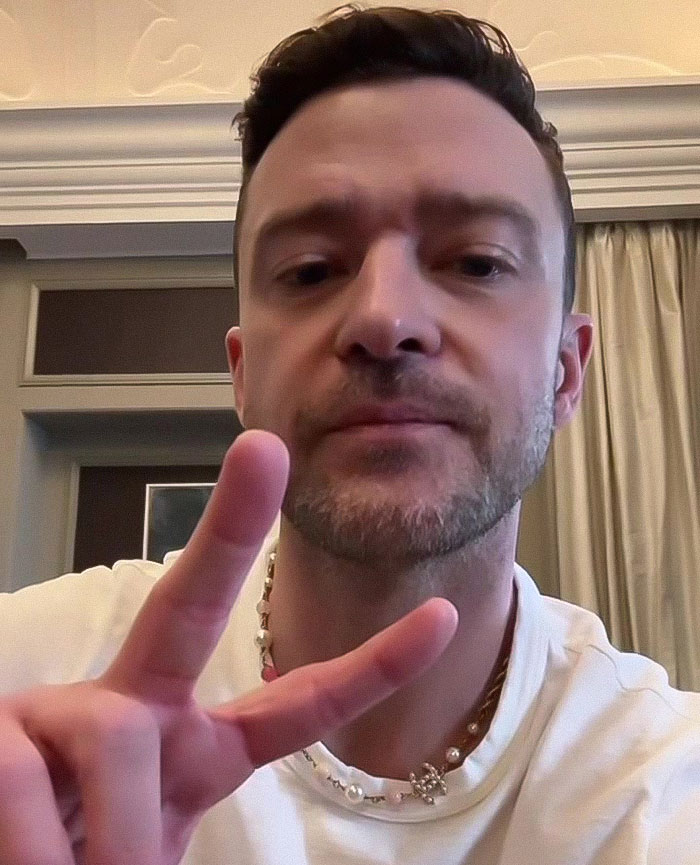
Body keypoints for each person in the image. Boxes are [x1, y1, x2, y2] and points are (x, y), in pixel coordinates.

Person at [0, 5, 698, 863]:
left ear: (566, 370)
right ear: (243, 372)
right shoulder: (26, 688)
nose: (382, 317)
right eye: (313, 270)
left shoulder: (663, 793)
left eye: (476, 261)